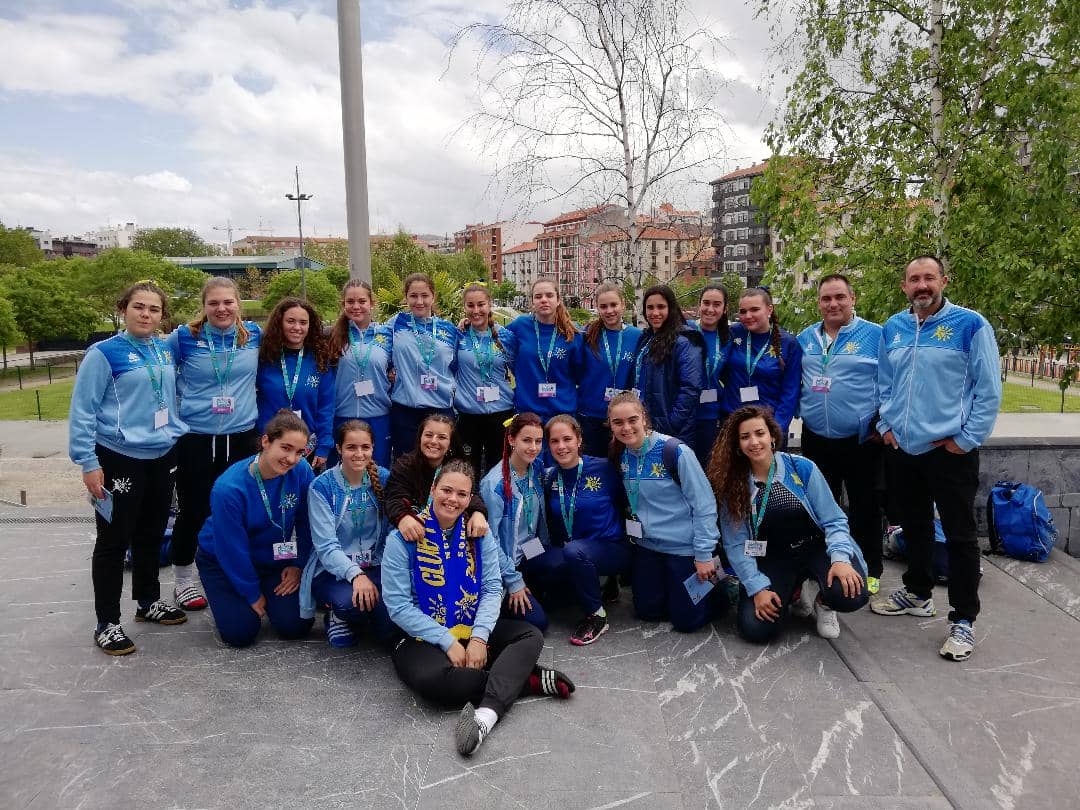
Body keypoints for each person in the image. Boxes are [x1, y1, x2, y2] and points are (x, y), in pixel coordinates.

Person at [382, 460, 575, 757]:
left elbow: (491, 588)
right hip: (421, 635)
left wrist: (479, 638)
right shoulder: (402, 539)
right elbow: (398, 607)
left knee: (530, 634)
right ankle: (527, 679)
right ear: (433, 489)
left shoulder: (478, 534)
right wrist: (447, 641)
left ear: (470, 499)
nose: (452, 499)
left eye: (462, 494)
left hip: (470, 622)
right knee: (434, 683)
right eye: (446, 490)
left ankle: (486, 716)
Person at [870, 256, 1002, 662]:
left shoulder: (970, 325)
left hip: (949, 451)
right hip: (904, 449)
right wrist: (885, 425)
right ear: (904, 286)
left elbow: (989, 389)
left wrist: (967, 439)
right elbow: (884, 383)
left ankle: (963, 619)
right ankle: (918, 591)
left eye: (929, 277)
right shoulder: (893, 327)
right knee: (914, 525)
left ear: (943, 280)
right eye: (914, 279)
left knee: (961, 536)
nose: (922, 285)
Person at [70, 281, 189, 655]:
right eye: (139, 307)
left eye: (154, 309)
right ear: (124, 309)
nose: (146, 315)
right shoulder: (103, 354)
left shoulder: (163, 350)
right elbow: (83, 410)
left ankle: (147, 602)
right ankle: (107, 622)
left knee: (151, 534)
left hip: (161, 453)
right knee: (113, 540)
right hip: (118, 456)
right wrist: (88, 462)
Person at [709, 405, 869, 643]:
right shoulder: (734, 484)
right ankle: (793, 591)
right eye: (745, 437)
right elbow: (735, 544)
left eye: (759, 433)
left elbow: (834, 519)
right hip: (773, 557)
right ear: (738, 445)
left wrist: (840, 559)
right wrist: (757, 588)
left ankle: (823, 603)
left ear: (772, 436)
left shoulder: (801, 468)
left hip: (817, 547)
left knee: (850, 593)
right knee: (756, 629)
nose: (754, 442)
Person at [166, 276, 262, 611]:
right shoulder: (184, 338)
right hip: (196, 437)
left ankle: (241, 574)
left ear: (239, 304)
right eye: (214, 303)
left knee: (241, 509)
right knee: (193, 510)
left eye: (228, 302)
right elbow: (154, 364)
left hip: (241, 437)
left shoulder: (253, 336)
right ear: (204, 307)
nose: (222, 309)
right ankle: (183, 579)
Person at [195, 410, 316, 648]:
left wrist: (299, 565)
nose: (291, 458)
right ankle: (232, 591)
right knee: (241, 632)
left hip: (273, 557)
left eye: (299, 452)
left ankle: (265, 590)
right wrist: (251, 592)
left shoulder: (300, 471)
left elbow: (307, 522)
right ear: (266, 441)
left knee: (295, 624)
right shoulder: (229, 488)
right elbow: (231, 548)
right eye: (285, 447)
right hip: (222, 559)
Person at [797, 274, 885, 594]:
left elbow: (892, 384)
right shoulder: (806, 337)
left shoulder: (876, 335)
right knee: (822, 506)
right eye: (826, 299)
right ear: (818, 303)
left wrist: (882, 422)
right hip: (817, 436)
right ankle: (826, 565)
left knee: (865, 505)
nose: (833, 304)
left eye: (839, 297)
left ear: (852, 299)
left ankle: (870, 568)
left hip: (861, 439)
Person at [607, 393, 724, 633]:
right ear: (610, 425)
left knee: (686, 622)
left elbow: (704, 505)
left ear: (644, 418)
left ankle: (720, 585)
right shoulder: (621, 454)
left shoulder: (675, 452)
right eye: (618, 423)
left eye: (632, 420)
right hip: (648, 546)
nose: (626, 428)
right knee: (647, 611)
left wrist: (703, 554)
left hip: (683, 547)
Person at [301, 420, 396, 648]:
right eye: (351, 447)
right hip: (334, 572)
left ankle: (372, 613)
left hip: (376, 566)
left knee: (389, 632)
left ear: (373, 448)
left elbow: (394, 529)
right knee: (350, 604)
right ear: (338, 448)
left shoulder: (383, 478)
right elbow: (326, 546)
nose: (359, 454)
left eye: (365, 447)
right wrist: (356, 575)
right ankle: (337, 614)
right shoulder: (321, 487)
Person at [539, 415, 630, 645]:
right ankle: (591, 586)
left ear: (579, 440)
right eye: (554, 441)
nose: (561, 446)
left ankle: (597, 615)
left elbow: (623, 502)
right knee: (548, 570)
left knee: (574, 551)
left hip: (611, 548)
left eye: (567, 439)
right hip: (573, 550)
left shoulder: (604, 468)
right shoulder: (550, 477)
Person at [479, 413, 550, 631]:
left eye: (538, 441)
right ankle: (498, 604)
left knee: (561, 570)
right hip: (505, 564)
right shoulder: (495, 483)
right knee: (539, 622)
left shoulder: (536, 468)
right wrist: (513, 581)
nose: (533, 447)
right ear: (511, 440)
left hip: (530, 552)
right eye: (526, 440)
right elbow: (489, 541)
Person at [384, 413, 490, 542]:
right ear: (420, 438)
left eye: (442, 437)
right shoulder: (404, 466)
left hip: (449, 534)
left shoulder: (459, 467)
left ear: (450, 443)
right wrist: (402, 517)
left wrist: (478, 513)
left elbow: (471, 495)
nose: (433, 441)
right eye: (428, 435)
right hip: (415, 533)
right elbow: (394, 498)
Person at [256, 297, 335, 468]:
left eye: (303, 322)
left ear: (310, 326)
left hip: (306, 447)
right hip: (270, 443)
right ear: (280, 323)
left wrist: (324, 446)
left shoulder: (319, 359)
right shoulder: (264, 357)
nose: (297, 327)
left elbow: (326, 407)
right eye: (290, 321)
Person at [387, 272, 459, 456]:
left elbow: (462, 363)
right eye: (413, 296)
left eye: (424, 295)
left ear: (433, 296)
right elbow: (376, 350)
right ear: (406, 297)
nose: (419, 301)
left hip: (440, 409)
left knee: (440, 467)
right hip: (405, 410)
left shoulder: (450, 330)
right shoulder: (395, 324)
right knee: (406, 467)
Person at [327, 280, 394, 468]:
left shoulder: (387, 335)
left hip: (378, 417)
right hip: (341, 416)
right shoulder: (331, 336)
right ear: (343, 304)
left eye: (362, 301)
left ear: (372, 303)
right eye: (350, 301)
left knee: (377, 474)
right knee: (340, 473)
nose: (356, 306)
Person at [721, 288, 802, 441]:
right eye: (743, 311)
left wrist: (776, 430)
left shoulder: (788, 343)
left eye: (755, 310)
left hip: (767, 426)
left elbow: (790, 392)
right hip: (732, 420)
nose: (748, 316)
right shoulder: (733, 333)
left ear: (769, 309)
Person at [455, 282, 518, 479]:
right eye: (470, 305)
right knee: (467, 472)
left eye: (481, 304)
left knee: (498, 472)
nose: (476, 311)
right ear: (464, 307)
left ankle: (496, 510)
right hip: (468, 415)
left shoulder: (506, 336)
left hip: (500, 414)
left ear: (490, 305)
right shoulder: (458, 335)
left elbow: (520, 371)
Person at [632, 284, 704, 447]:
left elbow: (690, 388)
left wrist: (671, 424)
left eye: (661, 307)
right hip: (646, 425)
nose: (655, 313)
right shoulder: (646, 339)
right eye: (650, 307)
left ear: (671, 308)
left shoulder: (684, 341)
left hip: (671, 432)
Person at [505, 278, 583, 424]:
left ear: (558, 300)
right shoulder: (520, 325)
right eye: (538, 296)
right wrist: (467, 323)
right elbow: (492, 335)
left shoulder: (573, 333)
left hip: (562, 413)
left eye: (549, 295)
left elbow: (578, 373)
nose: (544, 300)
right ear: (532, 302)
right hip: (527, 412)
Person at [577, 282, 641, 456]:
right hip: (591, 414)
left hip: (623, 418)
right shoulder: (586, 334)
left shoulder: (637, 336)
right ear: (597, 307)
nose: (609, 310)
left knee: (621, 468)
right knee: (595, 469)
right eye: (603, 306)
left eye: (614, 305)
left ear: (623, 304)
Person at [688, 283, 731, 467]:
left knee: (708, 468)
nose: (710, 309)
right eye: (706, 303)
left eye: (716, 304)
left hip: (711, 415)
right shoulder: (686, 330)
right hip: (685, 413)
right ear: (699, 305)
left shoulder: (728, 338)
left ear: (725, 308)